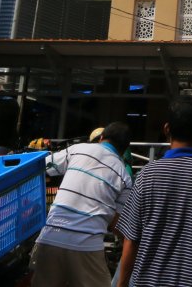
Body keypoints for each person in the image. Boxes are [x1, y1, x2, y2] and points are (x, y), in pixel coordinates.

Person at [116, 96, 192, 287]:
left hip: (148, 281)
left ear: (167, 129)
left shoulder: (146, 175)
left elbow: (131, 239)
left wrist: (121, 284)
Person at [32, 121, 132, 287]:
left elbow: (40, 168)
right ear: (124, 150)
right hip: (87, 247)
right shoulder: (124, 177)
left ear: (101, 138)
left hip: (50, 238)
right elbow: (118, 224)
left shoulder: (79, 149)